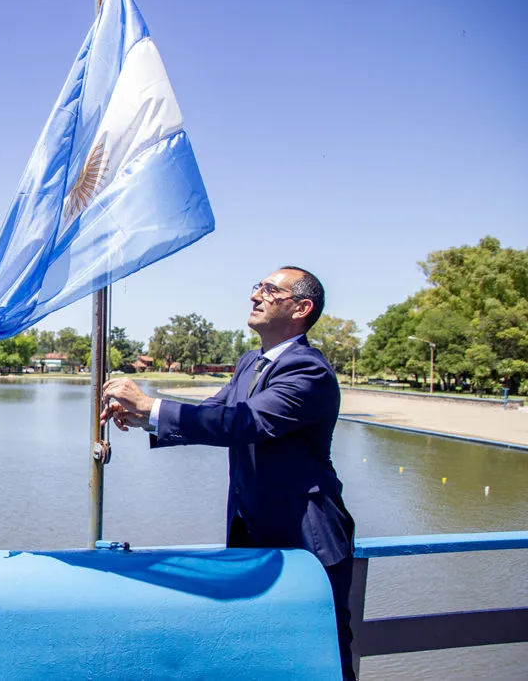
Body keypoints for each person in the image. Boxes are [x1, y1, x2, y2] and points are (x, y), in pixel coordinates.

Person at [101, 266, 357, 681]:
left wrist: (151, 405)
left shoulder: (308, 371)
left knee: (321, 653)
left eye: (271, 290)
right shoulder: (250, 362)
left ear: (301, 308)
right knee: (262, 649)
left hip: (307, 538)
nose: (256, 295)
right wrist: (141, 416)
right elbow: (213, 415)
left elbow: (244, 423)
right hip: (253, 535)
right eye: (258, 286)